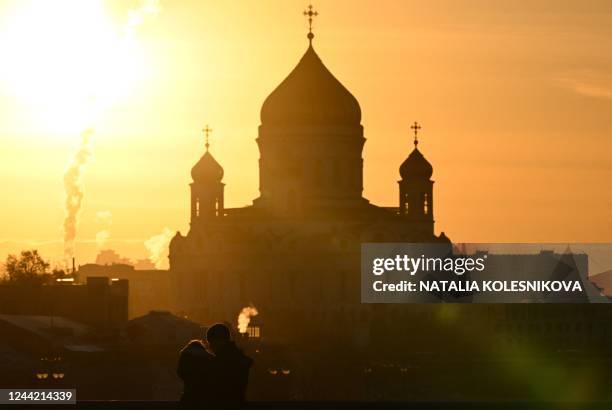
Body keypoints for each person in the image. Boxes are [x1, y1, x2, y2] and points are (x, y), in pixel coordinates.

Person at [207, 323, 253, 409]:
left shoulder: (221, 361)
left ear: (218, 341)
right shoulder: (237, 358)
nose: (210, 346)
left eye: (211, 342)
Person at [177, 339, 215, 409]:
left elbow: (180, 371)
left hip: (189, 394)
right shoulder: (209, 357)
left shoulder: (185, 355)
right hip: (205, 396)